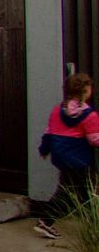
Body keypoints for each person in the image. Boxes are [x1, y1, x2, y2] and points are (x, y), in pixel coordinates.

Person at [36, 73, 99, 239]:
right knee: (73, 193)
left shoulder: (57, 111)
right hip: (79, 160)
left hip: (62, 158)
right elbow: (94, 139)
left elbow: (49, 132)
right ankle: (46, 220)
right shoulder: (89, 115)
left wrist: (44, 149)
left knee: (78, 190)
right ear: (86, 91)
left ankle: (93, 221)